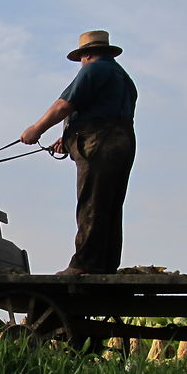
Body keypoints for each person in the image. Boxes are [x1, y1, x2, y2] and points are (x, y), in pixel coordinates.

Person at [20, 30, 137, 275]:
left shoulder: (94, 70)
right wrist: (68, 137)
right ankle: (105, 264)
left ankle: (83, 264)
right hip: (122, 140)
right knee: (110, 205)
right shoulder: (123, 77)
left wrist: (36, 129)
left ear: (87, 54)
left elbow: (64, 105)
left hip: (99, 142)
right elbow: (104, 111)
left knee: (91, 202)